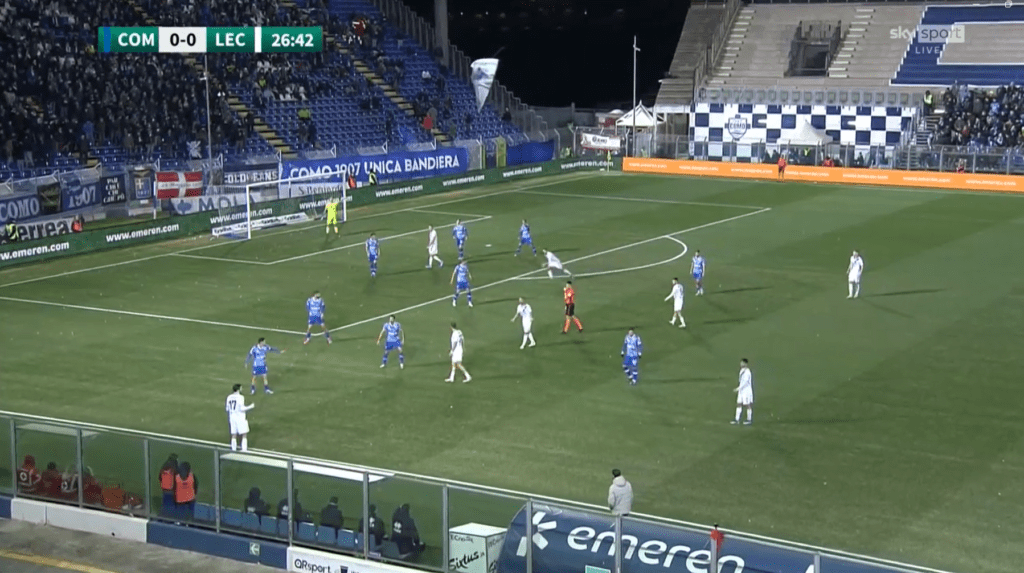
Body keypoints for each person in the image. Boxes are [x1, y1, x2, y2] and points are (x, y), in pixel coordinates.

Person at [226, 383, 255, 451]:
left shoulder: (229, 397)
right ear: (238, 389)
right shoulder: (240, 397)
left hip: (232, 417)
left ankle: (233, 449)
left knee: (233, 434)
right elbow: (242, 409)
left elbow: (227, 409)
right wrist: (251, 406)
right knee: (244, 434)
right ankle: (244, 450)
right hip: (240, 417)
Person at [732, 359, 754, 425]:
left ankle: (749, 419)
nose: (741, 364)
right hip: (741, 391)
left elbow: (745, 383)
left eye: (742, 363)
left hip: (746, 391)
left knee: (747, 405)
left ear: (746, 364)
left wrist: (738, 388)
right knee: (739, 404)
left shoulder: (747, 372)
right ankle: (737, 419)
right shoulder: (741, 371)